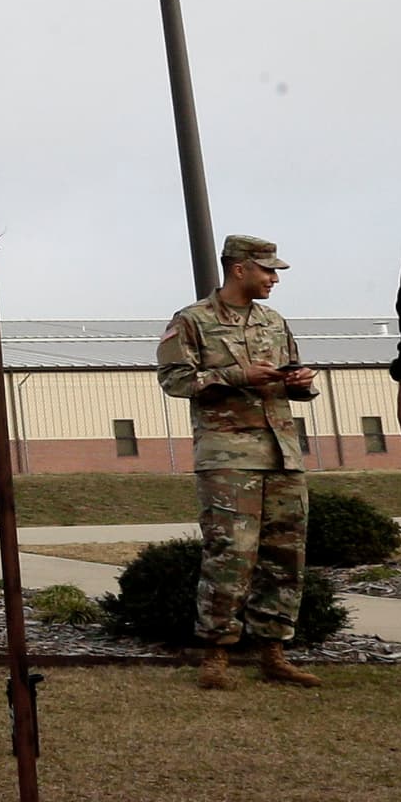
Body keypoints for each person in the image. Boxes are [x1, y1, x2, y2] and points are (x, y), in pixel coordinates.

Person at [156, 235, 320, 691]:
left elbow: (290, 376)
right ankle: (215, 652)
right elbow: (174, 379)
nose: (274, 279)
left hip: (283, 454)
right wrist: (234, 375)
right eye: (268, 270)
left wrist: (301, 382)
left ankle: (273, 651)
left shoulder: (273, 321)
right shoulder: (193, 320)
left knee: (284, 556)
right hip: (228, 458)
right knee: (231, 554)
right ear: (239, 269)